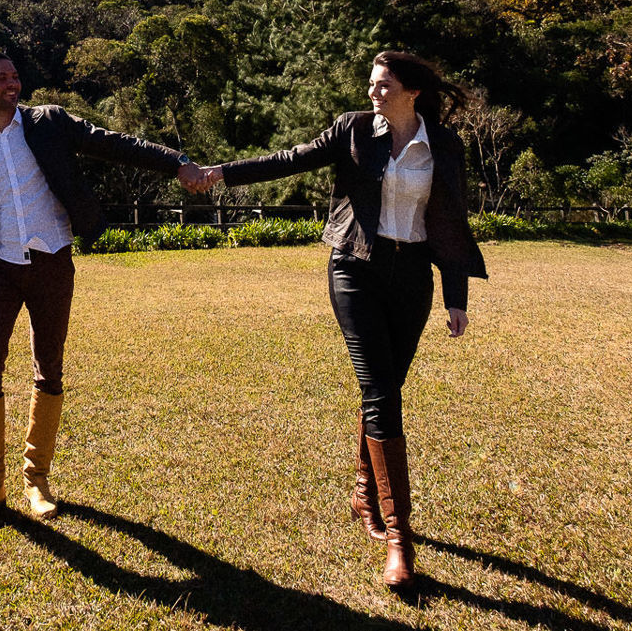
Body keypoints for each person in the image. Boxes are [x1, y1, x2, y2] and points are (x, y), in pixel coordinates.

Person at [189, 49, 486, 593]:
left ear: (412, 91)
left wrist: (456, 294)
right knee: (379, 389)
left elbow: (450, 219)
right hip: (355, 267)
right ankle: (401, 539)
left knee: (386, 386)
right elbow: (288, 159)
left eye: (384, 85)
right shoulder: (353, 130)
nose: (373, 93)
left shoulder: (442, 144)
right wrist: (219, 174)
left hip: (413, 272)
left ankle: (362, 491)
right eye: (371, 84)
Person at [0, 50, 205, 525]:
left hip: (52, 260)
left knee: (48, 369)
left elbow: (114, 144)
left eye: (15, 74)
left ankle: (36, 479)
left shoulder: (48, 122)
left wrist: (178, 162)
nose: (13, 82)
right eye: (1, 77)